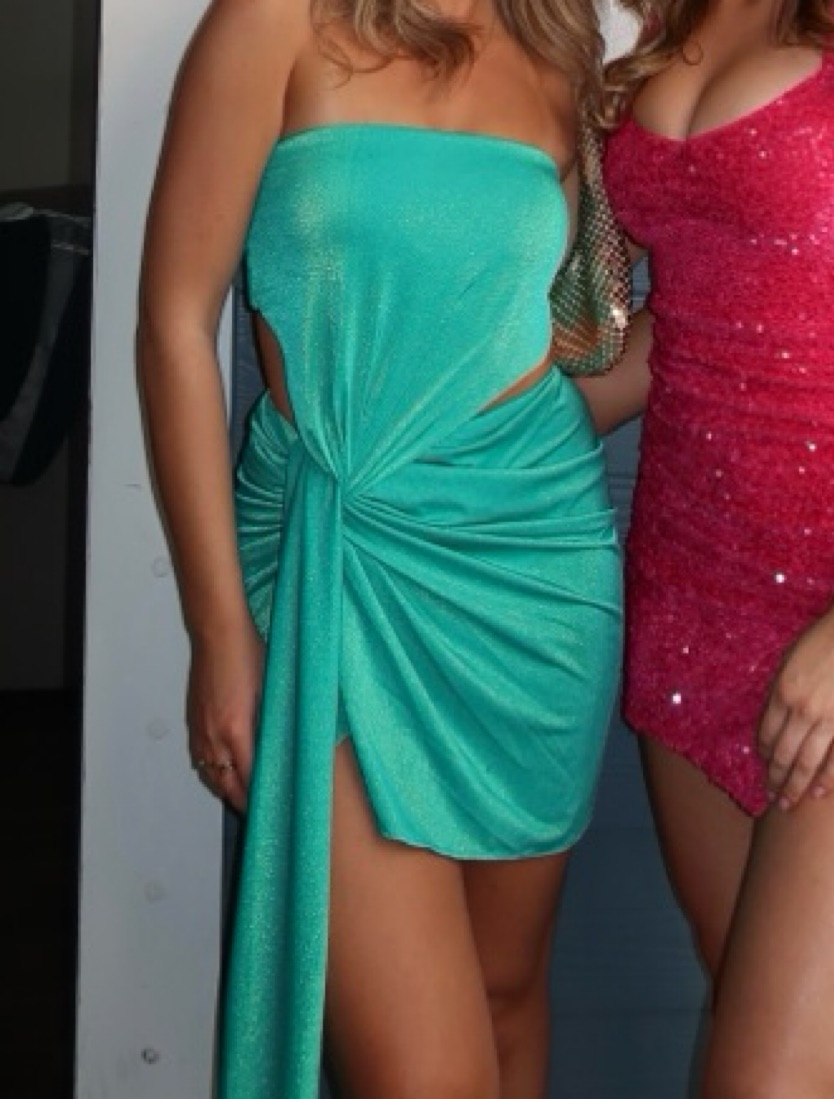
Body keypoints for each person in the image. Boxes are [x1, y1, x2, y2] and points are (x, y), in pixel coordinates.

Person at [136, 0, 627, 1095]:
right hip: (332, 570)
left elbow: (544, 339)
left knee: (507, 995)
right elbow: (174, 319)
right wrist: (219, 632)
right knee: (426, 1074)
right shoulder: (272, 21)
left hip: (535, 575)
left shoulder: (559, 46)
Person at [584, 0, 834, 1095]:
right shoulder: (652, 27)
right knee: (744, 1002)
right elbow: (688, 320)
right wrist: (463, 436)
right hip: (689, 598)